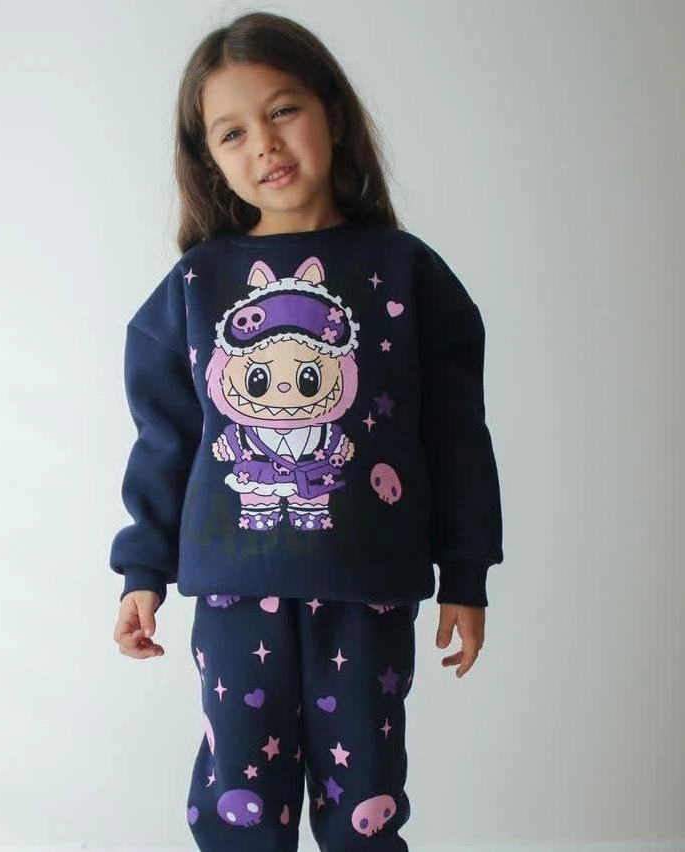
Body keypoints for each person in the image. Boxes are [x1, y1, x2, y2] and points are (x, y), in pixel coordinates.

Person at [110, 11, 503, 851]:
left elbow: (456, 437)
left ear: (333, 112)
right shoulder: (194, 286)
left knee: (366, 795)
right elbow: (165, 439)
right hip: (232, 589)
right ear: (208, 158)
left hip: (369, 588)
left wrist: (466, 572)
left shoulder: (406, 271)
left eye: (283, 110)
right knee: (240, 794)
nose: (265, 144)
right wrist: (142, 568)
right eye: (232, 132)